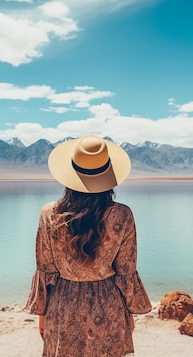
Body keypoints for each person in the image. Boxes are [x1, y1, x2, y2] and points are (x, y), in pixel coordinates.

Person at [25, 134, 152, 357]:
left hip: (63, 306)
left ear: (70, 176)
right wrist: (128, 311)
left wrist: (43, 314)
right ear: (108, 176)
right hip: (109, 305)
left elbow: (46, 269)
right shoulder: (122, 215)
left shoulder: (50, 214)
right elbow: (126, 270)